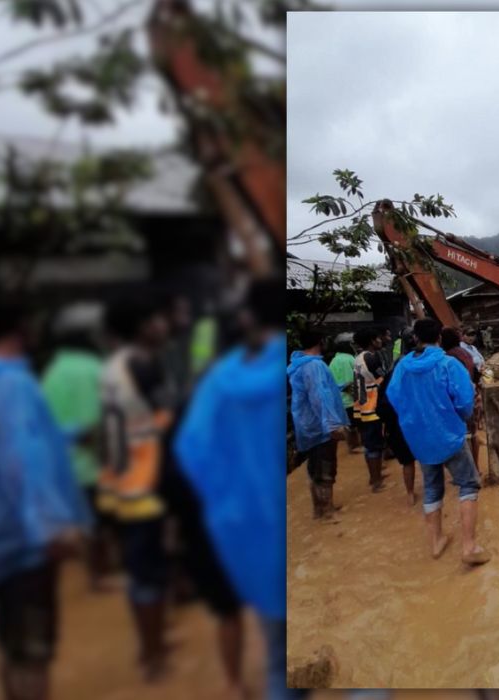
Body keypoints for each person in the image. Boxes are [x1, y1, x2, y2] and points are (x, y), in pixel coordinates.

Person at [0, 299, 90, 700]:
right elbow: (21, 459)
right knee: (32, 650)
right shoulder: (12, 384)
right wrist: (51, 527)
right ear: (21, 329)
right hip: (24, 537)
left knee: (12, 643)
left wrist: (68, 435)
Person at [175, 278, 307, 700]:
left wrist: (228, 504)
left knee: (277, 655)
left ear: (248, 319)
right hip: (292, 531)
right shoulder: (288, 373)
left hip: (241, 530)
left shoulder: (218, 381)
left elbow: (191, 452)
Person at [100, 299, 176, 682]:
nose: (162, 325)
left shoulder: (114, 366)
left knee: (143, 567)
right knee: (149, 569)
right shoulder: (141, 365)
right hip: (146, 482)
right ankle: (152, 652)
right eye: (156, 319)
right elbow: (167, 420)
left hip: (123, 481)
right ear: (141, 325)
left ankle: (153, 644)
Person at [386, 319, 489, 566]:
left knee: (432, 488)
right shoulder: (448, 364)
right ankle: (469, 546)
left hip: (420, 439)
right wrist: (456, 417)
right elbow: (464, 402)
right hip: (449, 436)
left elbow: (394, 398)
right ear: (439, 338)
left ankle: (436, 542)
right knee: (468, 484)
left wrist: (414, 421)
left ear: (415, 339)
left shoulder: (402, 367)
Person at [40, 320, 110, 592]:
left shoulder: (51, 372)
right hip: (91, 458)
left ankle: (94, 572)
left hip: (60, 461)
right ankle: (99, 574)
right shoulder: (93, 367)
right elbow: (96, 419)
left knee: (84, 520)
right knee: (98, 521)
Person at [288, 330, 351, 517]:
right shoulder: (314, 366)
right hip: (320, 425)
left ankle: (319, 509)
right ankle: (327, 510)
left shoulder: (299, 364)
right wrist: (332, 425)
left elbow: (320, 390)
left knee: (314, 467)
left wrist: (340, 387)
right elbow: (319, 396)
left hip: (307, 424)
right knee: (325, 466)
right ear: (320, 342)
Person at [379, 330, 420, 506]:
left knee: (407, 461)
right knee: (428, 457)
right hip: (415, 419)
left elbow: (384, 400)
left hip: (398, 420)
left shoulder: (395, 367)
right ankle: (430, 491)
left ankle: (410, 493)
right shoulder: (420, 365)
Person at [352, 327, 389, 492]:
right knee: (374, 445)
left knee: (370, 444)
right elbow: (383, 379)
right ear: (372, 341)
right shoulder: (371, 358)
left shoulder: (358, 358)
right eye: (378, 338)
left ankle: (375, 476)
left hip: (363, 406)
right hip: (373, 406)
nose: (380, 341)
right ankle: (376, 481)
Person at [441, 327, 482, 472]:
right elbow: (476, 374)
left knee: (461, 437)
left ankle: (466, 470)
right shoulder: (466, 353)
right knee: (473, 434)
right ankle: (475, 467)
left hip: (459, 402)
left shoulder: (448, 358)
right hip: (472, 397)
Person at [328, 335, 362, 453]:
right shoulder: (348, 359)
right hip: (350, 398)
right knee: (354, 424)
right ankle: (354, 446)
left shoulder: (334, 360)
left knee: (348, 423)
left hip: (339, 398)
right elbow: (350, 382)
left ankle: (352, 445)